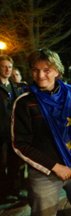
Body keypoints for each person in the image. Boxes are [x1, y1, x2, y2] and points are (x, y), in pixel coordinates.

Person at [12, 49, 71, 216]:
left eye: (46, 70)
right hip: (44, 175)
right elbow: (20, 144)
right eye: (35, 69)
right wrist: (54, 167)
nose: (40, 75)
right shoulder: (24, 102)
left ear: (57, 71)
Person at [0, 55, 26, 204]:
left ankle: (14, 191)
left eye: (9, 67)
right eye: (4, 66)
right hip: (0, 135)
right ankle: (3, 193)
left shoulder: (14, 87)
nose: (7, 70)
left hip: (12, 134)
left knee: (14, 164)